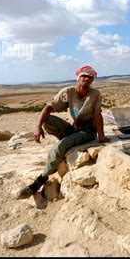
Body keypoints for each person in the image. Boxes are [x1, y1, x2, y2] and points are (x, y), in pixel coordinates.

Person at [16, 65, 109, 199]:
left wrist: (101, 136)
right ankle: (66, 142)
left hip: (87, 132)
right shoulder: (68, 92)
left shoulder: (95, 95)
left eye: (90, 77)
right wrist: (38, 126)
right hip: (73, 129)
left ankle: (41, 179)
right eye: (84, 76)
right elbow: (49, 107)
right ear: (78, 78)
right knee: (48, 120)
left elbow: (97, 115)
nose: (87, 79)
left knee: (60, 146)